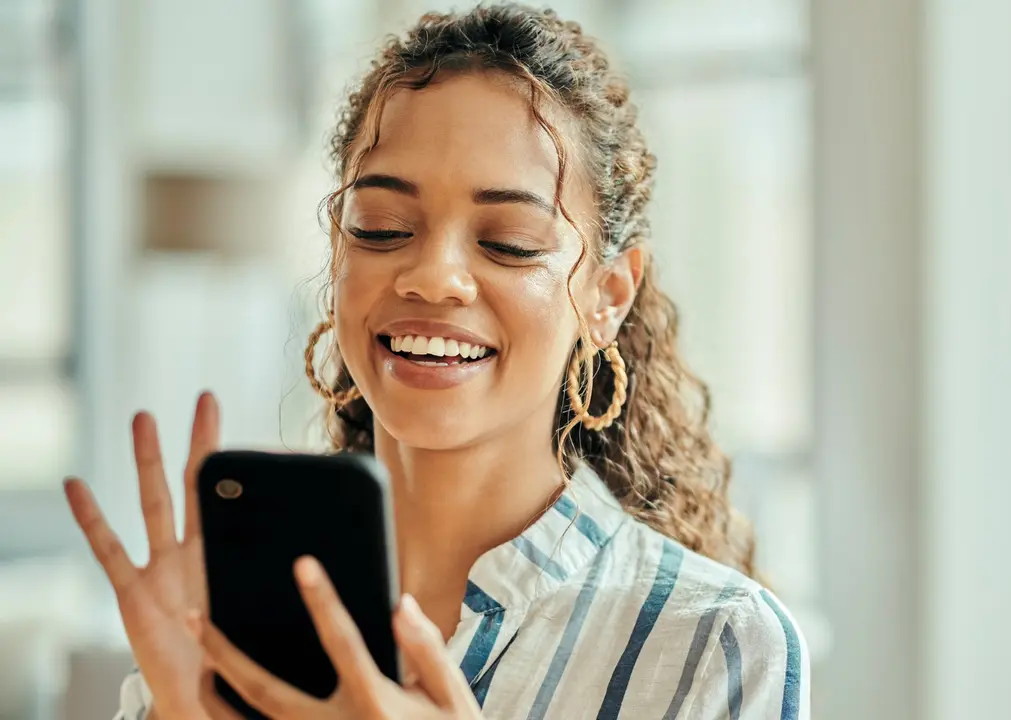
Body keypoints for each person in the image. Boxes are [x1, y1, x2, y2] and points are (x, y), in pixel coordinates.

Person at [64, 4, 810, 718]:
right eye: (382, 228)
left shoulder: (714, 645)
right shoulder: (237, 617)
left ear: (608, 297)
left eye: (508, 241)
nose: (432, 277)